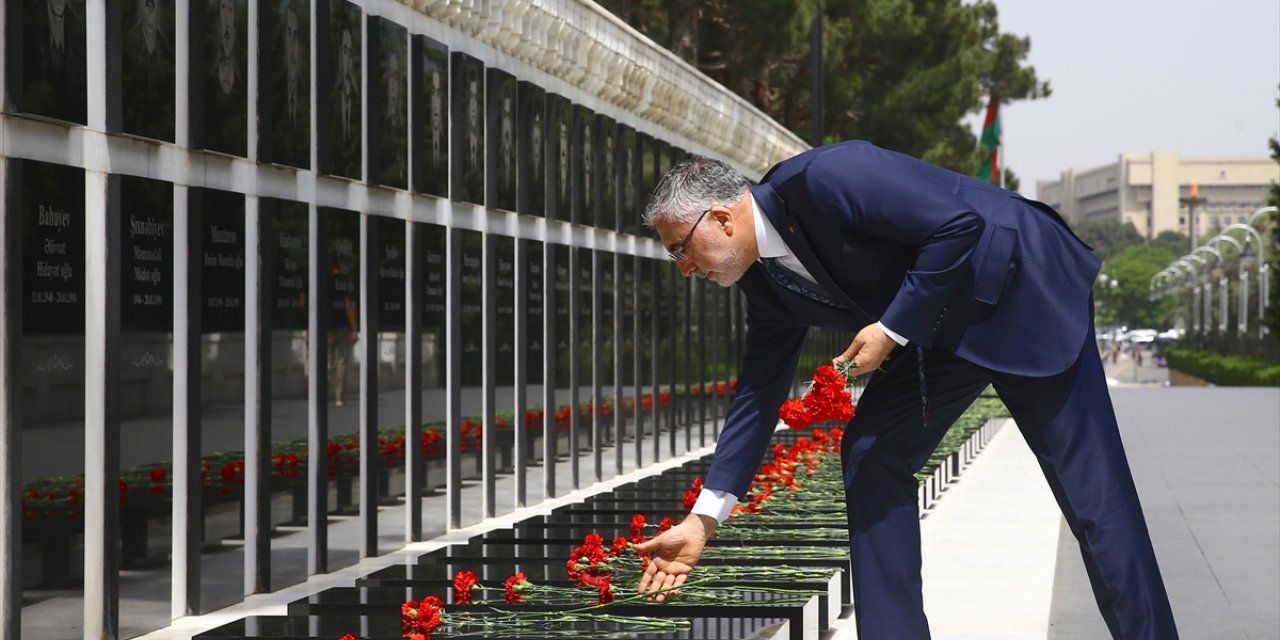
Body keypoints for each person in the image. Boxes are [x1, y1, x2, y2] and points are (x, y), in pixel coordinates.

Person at [633, 142, 1178, 640]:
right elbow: (758, 393)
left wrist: (890, 329)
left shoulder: (826, 177)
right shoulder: (763, 280)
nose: (684, 269)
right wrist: (703, 519)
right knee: (872, 453)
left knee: (1094, 499)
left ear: (722, 218)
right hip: (940, 328)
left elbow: (958, 226)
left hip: (1021, 289)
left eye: (681, 249)